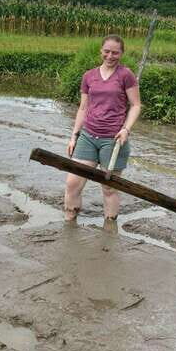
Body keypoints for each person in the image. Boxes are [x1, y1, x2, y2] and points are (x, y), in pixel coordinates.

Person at [64, 34, 141, 222]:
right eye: (107, 51)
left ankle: (109, 230)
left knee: (108, 188)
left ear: (121, 53)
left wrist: (126, 129)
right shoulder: (89, 76)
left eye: (115, 52)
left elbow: (136, 105)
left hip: (113, 139)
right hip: (88, 136)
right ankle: (69, 223)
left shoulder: (126, 75)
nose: (110, 56)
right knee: (72, 183)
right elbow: (83, 108)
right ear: (101, 51)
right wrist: (74, 136)